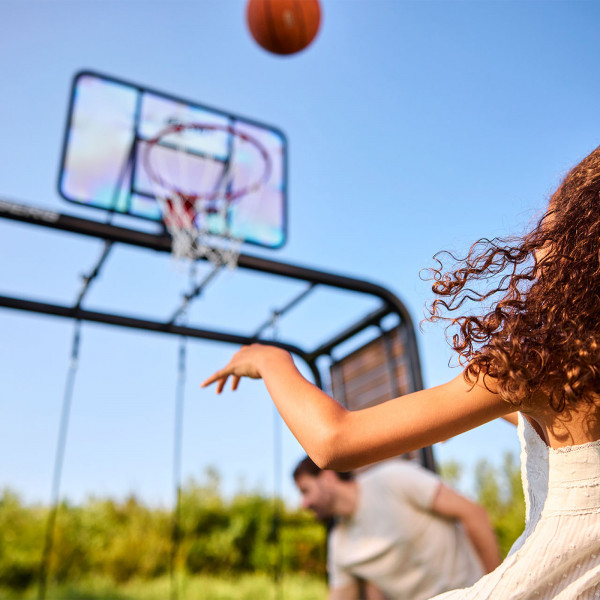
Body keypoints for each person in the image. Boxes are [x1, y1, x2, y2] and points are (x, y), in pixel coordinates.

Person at [203, 145, 600, 599]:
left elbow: (335, 441)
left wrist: (271, 360)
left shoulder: (541, 364)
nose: (535, 246)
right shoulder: (565, 373)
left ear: (579, 243)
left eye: (552, 226)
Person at [292, 455, 499, 600]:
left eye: (305, 491)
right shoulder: (339, 545)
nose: (303, 504)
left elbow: (474, 514)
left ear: (328, 478)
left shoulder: (392, 479)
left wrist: (497, 588)